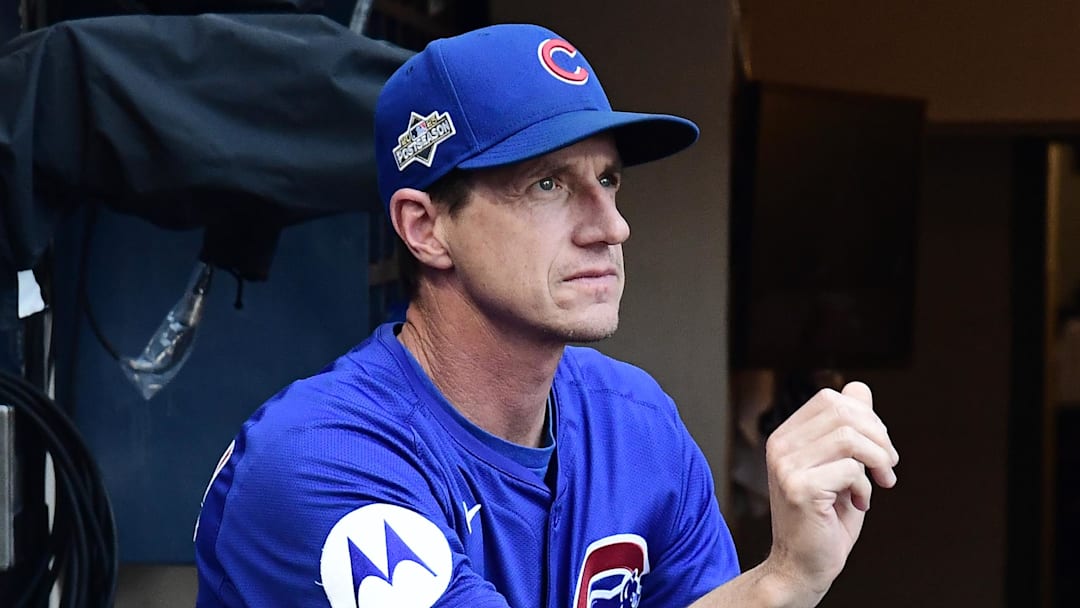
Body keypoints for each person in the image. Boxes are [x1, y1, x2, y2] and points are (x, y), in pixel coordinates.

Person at [194, 23, 899, 608]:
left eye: (609, 179)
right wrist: (773, 588)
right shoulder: (323, 461)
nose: (611, 226)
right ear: (426, 228)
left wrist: (789, 576)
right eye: (547, 183)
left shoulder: (635, 423)